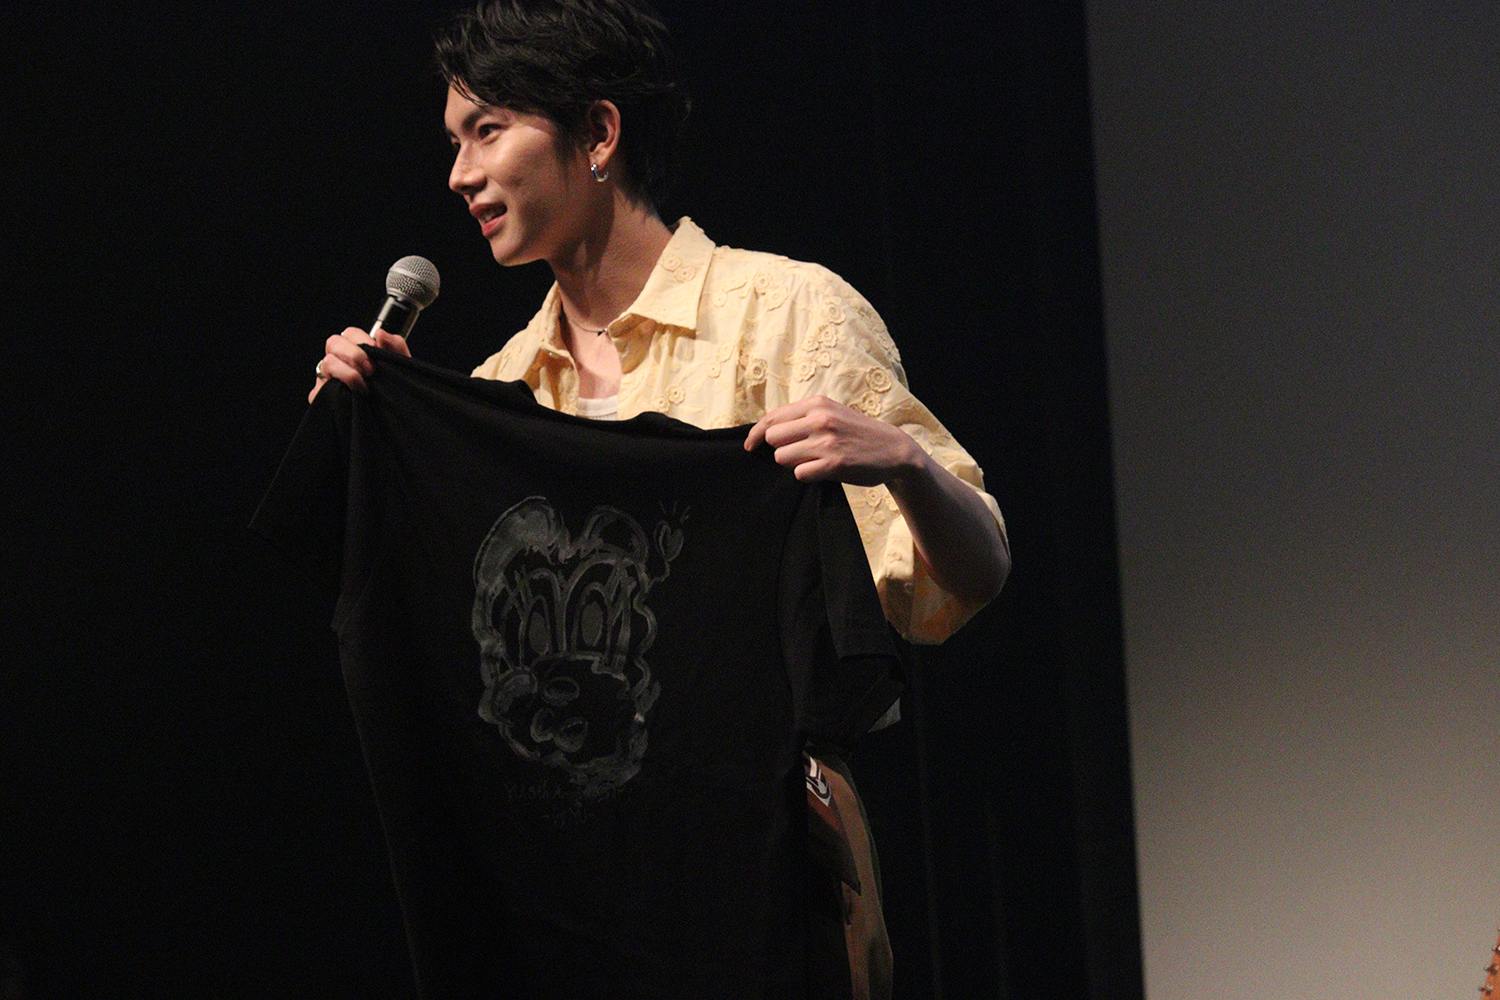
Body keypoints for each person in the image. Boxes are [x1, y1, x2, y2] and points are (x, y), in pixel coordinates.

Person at [310, 0, 1009, 992]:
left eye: (488, 131)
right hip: (569, 891)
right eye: (454, 142)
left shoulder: (786, 315)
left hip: (767, 874)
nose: (460, 173)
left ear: (598, 134)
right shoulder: (502, 388)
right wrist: (382, 431)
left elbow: (976, 572)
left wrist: (903, 459)